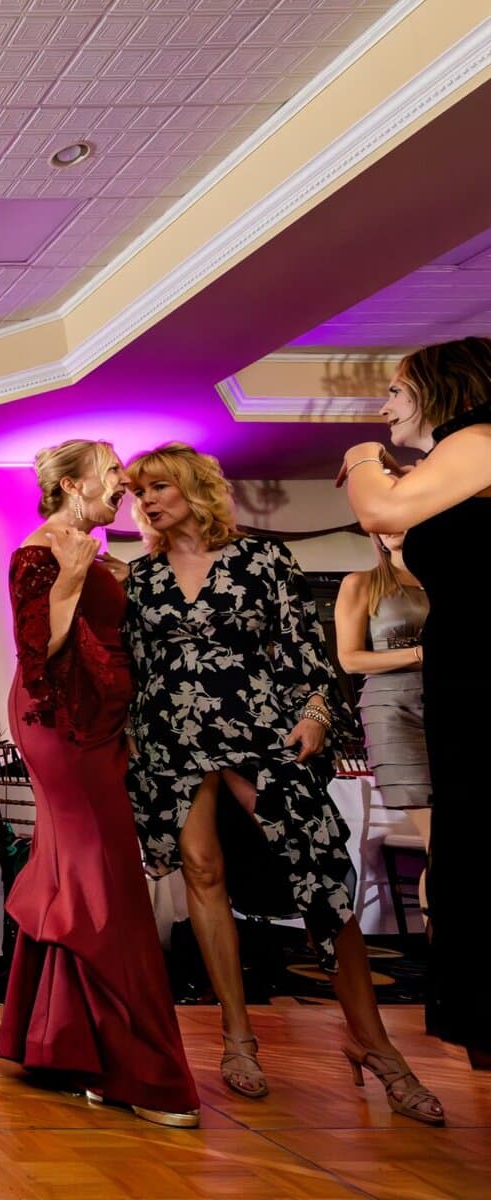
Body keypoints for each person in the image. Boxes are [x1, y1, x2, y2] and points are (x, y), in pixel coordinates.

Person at [125, 442, 442, 1125]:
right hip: (170, 740)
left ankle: (375, 1043)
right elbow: (138, 670)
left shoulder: (262, 560)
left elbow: (305, 653)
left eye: (158, 487)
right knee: (203, 876)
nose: (146, 500)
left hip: (258, 728)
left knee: (320, 875)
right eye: (138, 491)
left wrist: (318, 713)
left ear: (194, 488)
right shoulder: (140, 577)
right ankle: (238, 1037)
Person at [0, 440, 199, 1127]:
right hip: (62, 723)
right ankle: (139, 1071)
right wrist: (72, 580)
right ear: (76, 483)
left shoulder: (89, 544)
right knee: (107, 883)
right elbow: (38, 653)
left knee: (79, 877)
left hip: (98, 722)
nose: (124, 481)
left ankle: (66, 1043)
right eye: (113, 472)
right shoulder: (43, 551)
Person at [341, 334, 491, 1071]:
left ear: (443, 389)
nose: (384, 405)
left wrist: (365, 459)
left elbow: (374, 512)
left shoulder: (481, 439)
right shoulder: (461, 461)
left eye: (395, 391)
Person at [334, 532, 430, 810]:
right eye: (379, 524)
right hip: (394, 710)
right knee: (424, 816)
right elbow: (350, 660)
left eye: (396, 518)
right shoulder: (361, 583)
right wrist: (418, 654)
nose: (389, 529)